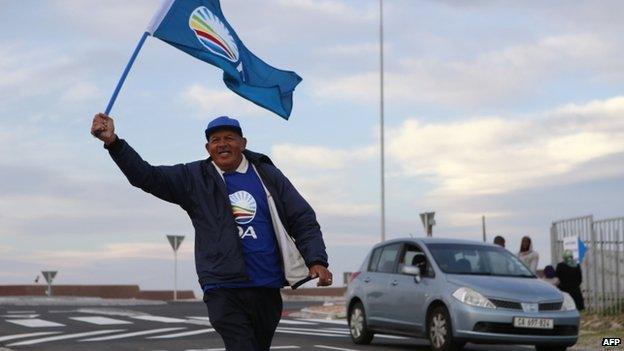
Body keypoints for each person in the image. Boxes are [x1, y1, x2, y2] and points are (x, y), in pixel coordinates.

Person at [90, 113, 333, 350]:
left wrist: (316, 259)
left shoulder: (267, 174)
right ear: (208, 148)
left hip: (266, 286)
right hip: (222, 286)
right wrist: (114, 143)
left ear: (243, 143)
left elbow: (302, 218)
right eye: (216, 140)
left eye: (229, 138)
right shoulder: (193, 178)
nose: (222, 144)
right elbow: (147, 176)